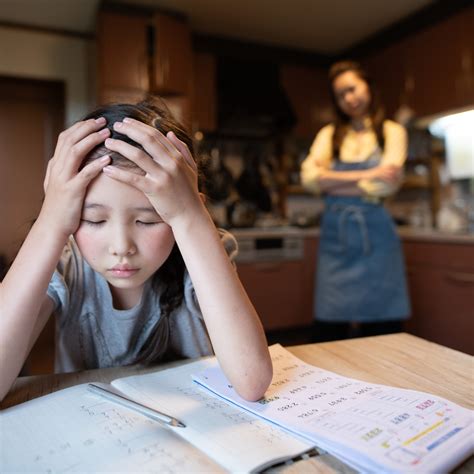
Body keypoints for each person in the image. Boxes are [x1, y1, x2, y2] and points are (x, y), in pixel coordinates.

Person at [0, 100, 272, 402]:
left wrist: (190, 218)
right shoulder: (66, 262)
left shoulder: (200, 252)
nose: (121, 248)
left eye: (147, 220)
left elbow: (252, 380)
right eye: (95, 220)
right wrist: (50, 224)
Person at [300, 61, 411, 341]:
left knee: (384, 331)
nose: (349, 99)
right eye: (340, 95)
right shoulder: (329, 134)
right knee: (328, 330)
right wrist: (371, 173)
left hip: (378, 239)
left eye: (352, 89)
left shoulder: (392, 131)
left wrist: (332, 182)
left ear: (369, 87)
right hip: (336, 239)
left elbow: (387, 184)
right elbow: (309, 179)